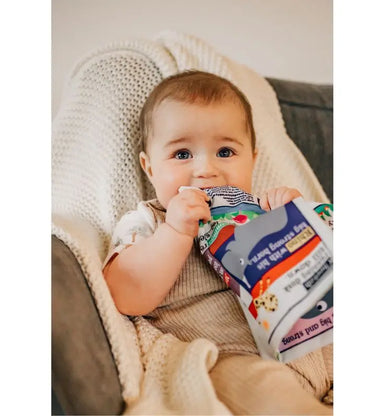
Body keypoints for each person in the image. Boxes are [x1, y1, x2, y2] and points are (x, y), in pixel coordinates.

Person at [103, 70, 332, 415]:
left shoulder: (265, 209)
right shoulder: (150, 221)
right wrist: (176, 232)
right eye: (182, 154)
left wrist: (298, 219)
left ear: (253, 160)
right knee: (266, 392)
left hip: (316, 342)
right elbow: (125, 293)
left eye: (225, 151)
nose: (206, 169)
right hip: (232, 356)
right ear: (150, 168)